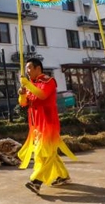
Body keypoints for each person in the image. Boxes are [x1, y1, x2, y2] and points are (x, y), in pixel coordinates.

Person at [16, 58, 76, 195]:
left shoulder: (48, 81)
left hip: (48, 123)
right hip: (36, 125)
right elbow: (24, 104)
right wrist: (22, 94)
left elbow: (42, 95)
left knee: (44, 154)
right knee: (48, 153)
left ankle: (36, 181)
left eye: (30, 68)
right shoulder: (32, 84)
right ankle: (63, 176)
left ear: (38, 69)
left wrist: (28, 85)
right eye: (26, 68)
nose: (27, 71)